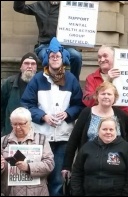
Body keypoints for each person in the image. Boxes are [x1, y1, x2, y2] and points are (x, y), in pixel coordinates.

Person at [21, 37, 84, 196]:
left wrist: (68, 113)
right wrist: (43, 116)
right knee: (38, 176)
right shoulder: (37, 79)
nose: (55, 58)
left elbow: (79, 104)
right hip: (41, 137)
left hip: (63, 137)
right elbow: (27, 103)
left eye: (58, 56)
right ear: (47, 59)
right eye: (52, 56)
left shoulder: (71, 80)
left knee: (57, 179)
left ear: (63, 59)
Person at [62, 81, 128, 178]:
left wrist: (122, 144)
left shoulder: (119, 114)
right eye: (103, 93)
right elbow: (73, 140)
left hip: (114, 164)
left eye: (109, 94)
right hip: (88, 163)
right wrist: (67, 166)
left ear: (114, 98)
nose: (106, 96)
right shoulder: (86, 113)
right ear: (97, 96)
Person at [13, 1, 83, 81]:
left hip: (65, 46)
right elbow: (19, 8)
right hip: (45, 45)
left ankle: (75, 83)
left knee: (77, 56)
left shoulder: (69, 6)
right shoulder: (39, 5)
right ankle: (50, 83)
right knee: (47, 57)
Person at [70, 117, 128, 196]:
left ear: (116, 131)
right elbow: (76, 173)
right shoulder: (86, 148)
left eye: (111, 129)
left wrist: (126, 194)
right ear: (98, 130)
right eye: (104, 129)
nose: (108, 132)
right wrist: (77, 193)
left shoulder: (126, 148)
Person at [1, 107, 54, 196]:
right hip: (10, 192)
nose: (18, 127)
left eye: (21, 124)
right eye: (14, 124)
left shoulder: (41, 140)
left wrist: (29, 167)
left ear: (29, 122)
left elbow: (49, 165)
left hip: (37, 192)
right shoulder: (3, 141)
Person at [83, 45, 128, 116]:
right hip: (100, 119)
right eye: (99, 57)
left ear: (115, 57)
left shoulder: (126, 76)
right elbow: (87, 102)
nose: (101, 59)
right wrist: (107, 81)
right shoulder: (92, 78)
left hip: (122, 118)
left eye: (105, 56)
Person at [1, 52, 39, 136]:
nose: (29, 66)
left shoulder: (41, 85)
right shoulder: (9, 83)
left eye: (33, 64)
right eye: (26, 63)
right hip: (11, 133)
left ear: (36, 68)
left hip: (34, 135)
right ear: (21, 67)